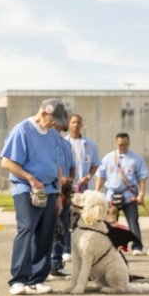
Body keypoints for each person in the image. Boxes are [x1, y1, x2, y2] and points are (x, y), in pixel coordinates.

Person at [0, 99, 73, 294]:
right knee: (26, 229)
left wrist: (57, 195)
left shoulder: (52, 135)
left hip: (49, 190)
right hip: (26, 188)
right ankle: (18, 280)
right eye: (52, 120)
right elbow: (7, 162)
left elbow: (56, 165)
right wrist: (30, 178)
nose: (54, 124)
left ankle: (37, 278)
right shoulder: (22, 130)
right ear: (43, 113)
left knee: (46, 233)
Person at [52, 113, 99, 268]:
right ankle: (66, 250)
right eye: (73, 122)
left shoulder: (90, 144)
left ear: (82, 125)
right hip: (65, 188)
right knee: (65, 220)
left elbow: (95, 164)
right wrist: (64, 179)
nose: (76, 125)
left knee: (85, 220)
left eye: (78, 122)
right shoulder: (62, 143)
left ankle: (85, 251)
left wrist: (88, 176)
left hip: (83, 188)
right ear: (69, 124)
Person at [96, 132, 149, 254]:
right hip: (111, 196)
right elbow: (101, 176)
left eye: (125, 144)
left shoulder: (136, 159)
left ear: (129, 143)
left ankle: (137, 247)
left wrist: (141, 193)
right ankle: (111, 246)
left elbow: (143, 178)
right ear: (116, 143)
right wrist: (96, 192)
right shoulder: (108, 158)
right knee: (111, 223)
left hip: (129, 196)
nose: (123, 147)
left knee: (133, 221)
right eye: (120, 145)